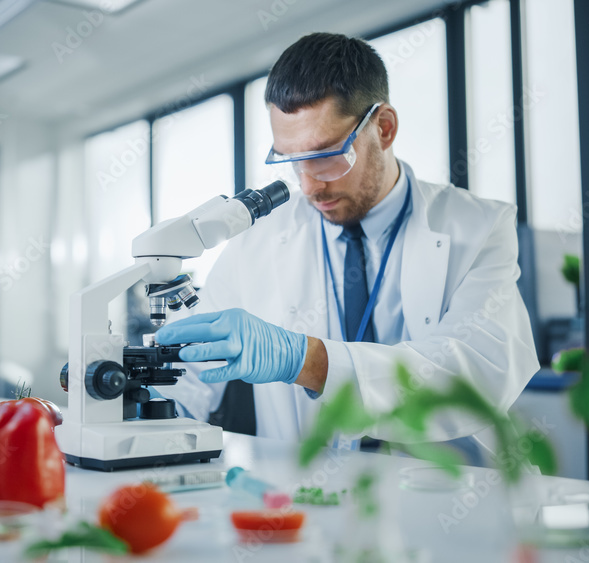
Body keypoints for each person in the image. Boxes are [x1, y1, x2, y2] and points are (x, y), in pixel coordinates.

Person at [155, 32, 538, 445]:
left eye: (324, 156)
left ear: (384, 128)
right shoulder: (257, 241)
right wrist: (140, 406)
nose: (309, 186)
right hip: (309, 497)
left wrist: (307, 360)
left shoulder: (478, 227)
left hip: (451, 494)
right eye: (290, 160)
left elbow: (477, 372)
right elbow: (188, 374)